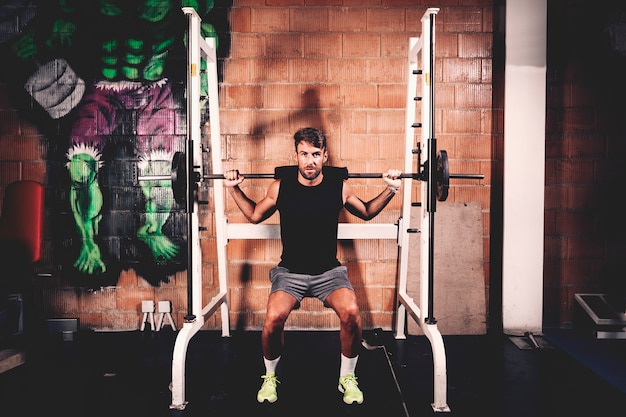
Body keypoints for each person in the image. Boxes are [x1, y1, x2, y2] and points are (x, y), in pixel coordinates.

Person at [224, 127, 402, 405]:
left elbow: (366, 212)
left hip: (329, 273)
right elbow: (255, 215)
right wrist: (233, 188)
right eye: (304, 154)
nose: (310, 161)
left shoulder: (338, 187)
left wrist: (390, 189)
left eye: (316, 155)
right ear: (295, 155)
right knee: (272, 319)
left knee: (352, 313)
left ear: (325, 157)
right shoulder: (280, 187)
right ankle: (270, 377)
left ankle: (347, 378)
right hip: (290, 273)